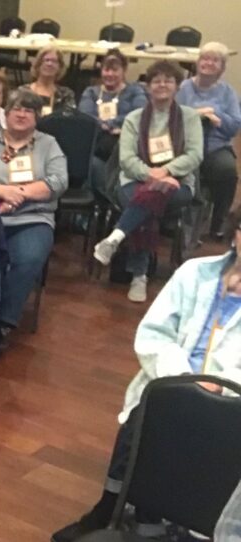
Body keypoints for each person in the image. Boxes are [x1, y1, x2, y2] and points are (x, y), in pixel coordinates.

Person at [52, 205, 241, 542]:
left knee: (197, 429)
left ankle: (169, 520)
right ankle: (117, 508)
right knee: (146, 415)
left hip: (230, 403)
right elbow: (153, 333)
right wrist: (185, 379)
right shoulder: (194, 273)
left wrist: (220, 388)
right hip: (172, 382)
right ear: (236, 234)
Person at [93, 61, 203, 303]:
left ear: (177, 86)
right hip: (135, 180)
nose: (162, 85)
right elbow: (127, 159)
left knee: (147, 199)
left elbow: (195, 155)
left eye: (168, 80)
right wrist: (151, 175)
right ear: (148, 86)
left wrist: (166, 171)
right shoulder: (134, 118)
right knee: (149, 201)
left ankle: (116, 239)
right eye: (156, 80)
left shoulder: (189, 117)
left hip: (179, 183)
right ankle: (139, 276)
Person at [0, 89, 68, 351]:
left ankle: (1, 323)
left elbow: (59, 181)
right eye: (17, 108)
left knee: (27, 259)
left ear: (37, 117)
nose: (22, 114)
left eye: (29, 110)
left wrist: (20, 194)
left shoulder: (48, 144)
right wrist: (2, 192)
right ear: (6, 113)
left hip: (33, 219)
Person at [176, 41, 241, 239]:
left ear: (222, 67)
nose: (209, 63)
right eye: (205, 58)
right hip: (185, 145)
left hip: (215, 146)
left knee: (228, 171)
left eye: (215, 60)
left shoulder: (228, 92)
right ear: (197, 62)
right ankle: (176, 222)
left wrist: (216, 114)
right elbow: (173, 117)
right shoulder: (184, 88)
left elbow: (234, 126)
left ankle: (218, 223)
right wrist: (198, 113)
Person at [78, 49, 149, 194]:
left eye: (115, 70)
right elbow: (85, 116)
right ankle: (109, 196)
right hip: (97, 143)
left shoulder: (135, 91)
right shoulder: (91, 92)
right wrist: (113, 126)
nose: (110, 74)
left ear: (124, 71)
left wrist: (107, 124)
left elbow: (139, 114)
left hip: (126, 145)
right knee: (92, 163)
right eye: (106, 69)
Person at [20, 47, 75, 117]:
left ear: (60, 67)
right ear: (38, 65)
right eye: (46, 60)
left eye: (54, 61)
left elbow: (69, 119)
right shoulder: (23, 92)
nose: (50, 64)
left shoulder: (66, 94)